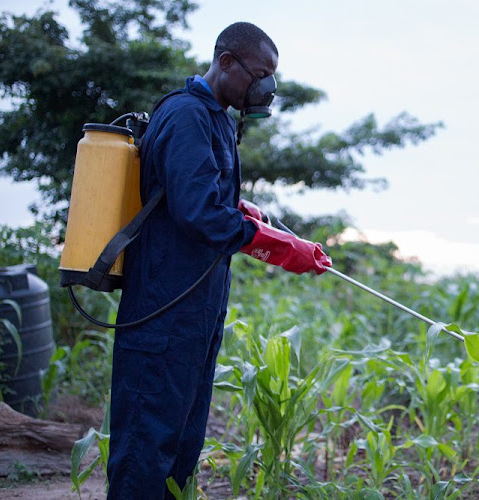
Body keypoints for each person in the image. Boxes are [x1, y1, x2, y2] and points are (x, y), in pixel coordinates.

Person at [107, 22, 331, 499]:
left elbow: (202, 196)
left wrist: (248, 213)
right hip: (162, 310)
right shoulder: (186, 115)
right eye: (261, 73)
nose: (266, 87)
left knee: (182, 445)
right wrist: (280, 248)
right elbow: (200, 214)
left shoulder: (216, 120)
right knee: (146, 447)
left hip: (197, 313)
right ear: (226, 62)